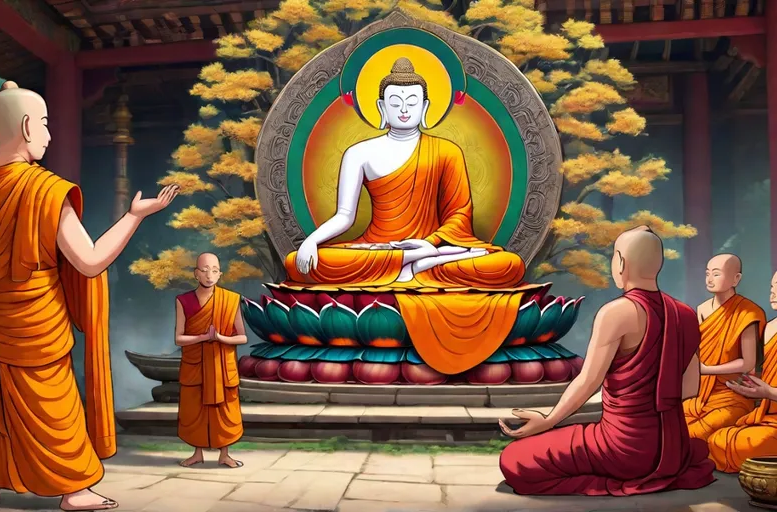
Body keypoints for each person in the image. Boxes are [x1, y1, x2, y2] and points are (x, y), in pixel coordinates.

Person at [0, 81, 178, 510]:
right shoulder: (47, 192)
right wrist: (133, 217)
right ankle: (74, 488)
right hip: (37, 325)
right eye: (45, 124)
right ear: (27, 127)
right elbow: (89, 261)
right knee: (54, 406)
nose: (49, 134)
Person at [282, 57, 526, 375]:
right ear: (381, 107)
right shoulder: (359, 153)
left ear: (426, 107)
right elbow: (344, 215)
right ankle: (418, 266)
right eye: (395, 102)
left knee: (508, 266)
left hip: (433, 245)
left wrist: (431, 243)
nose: (404, 109)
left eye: (412, 102)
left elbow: (460, 214)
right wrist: (311, 241)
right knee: (298, 262)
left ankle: (423, 261)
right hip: (378, 249)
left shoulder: (447, 151)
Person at [498, 226, 714, 495]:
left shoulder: (616, 312)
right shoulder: (685, 314)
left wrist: (548, 420)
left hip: (621, 446)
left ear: (621, 263)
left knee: (515, 460)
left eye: (614, 256)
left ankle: (610, 482)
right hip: (673, 449)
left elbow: (589, 381)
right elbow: (691, 387)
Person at [175, 252, 247, 468]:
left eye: (214, 270)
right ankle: (197, 453)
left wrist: (219, 338)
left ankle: (224, 454)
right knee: (195, 409)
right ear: (196, 274)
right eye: (204, 270)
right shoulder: (183, 301)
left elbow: (242, 337)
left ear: (220, 274)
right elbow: (178, 339)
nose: (209, 275)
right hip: (196, 367)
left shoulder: (231, 299)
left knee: (223, 410)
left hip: (221, 367)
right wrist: (202, 338)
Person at [684, 254, 765, 441]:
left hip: (732, 394)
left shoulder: (748, 312)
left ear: (736, 278)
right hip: (701, 394)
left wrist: (707, 370)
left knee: (694, 434)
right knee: (670, 423)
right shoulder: (702, 309)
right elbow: (696, 351)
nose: (710, 279)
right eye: (707, 274)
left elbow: (748, 362)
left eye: (716, 274)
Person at [707, 270, 777, 472]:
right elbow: (764, 370)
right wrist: (750, 384)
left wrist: (769, 392)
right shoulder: (771, 327)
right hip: (767, 417)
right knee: (719, 439)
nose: (772, 293)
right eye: (772, 287)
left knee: (747, 444)